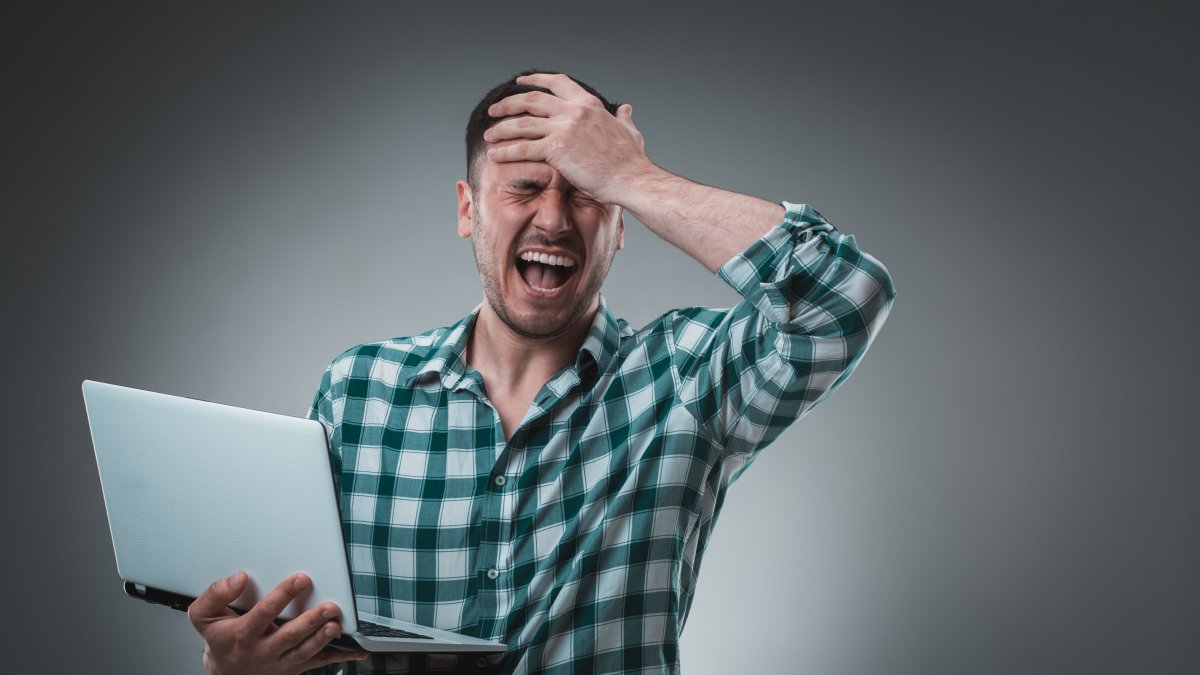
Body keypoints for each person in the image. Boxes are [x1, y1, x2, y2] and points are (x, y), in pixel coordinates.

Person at [186, 70, 896, 675]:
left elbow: (845, 294)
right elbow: (316, 640)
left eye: (586, 193)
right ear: (468, 210)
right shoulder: (358, 389)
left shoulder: (689, 376)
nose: (554, 219)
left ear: (622, 225)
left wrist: (632, 175)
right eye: (525, 187)